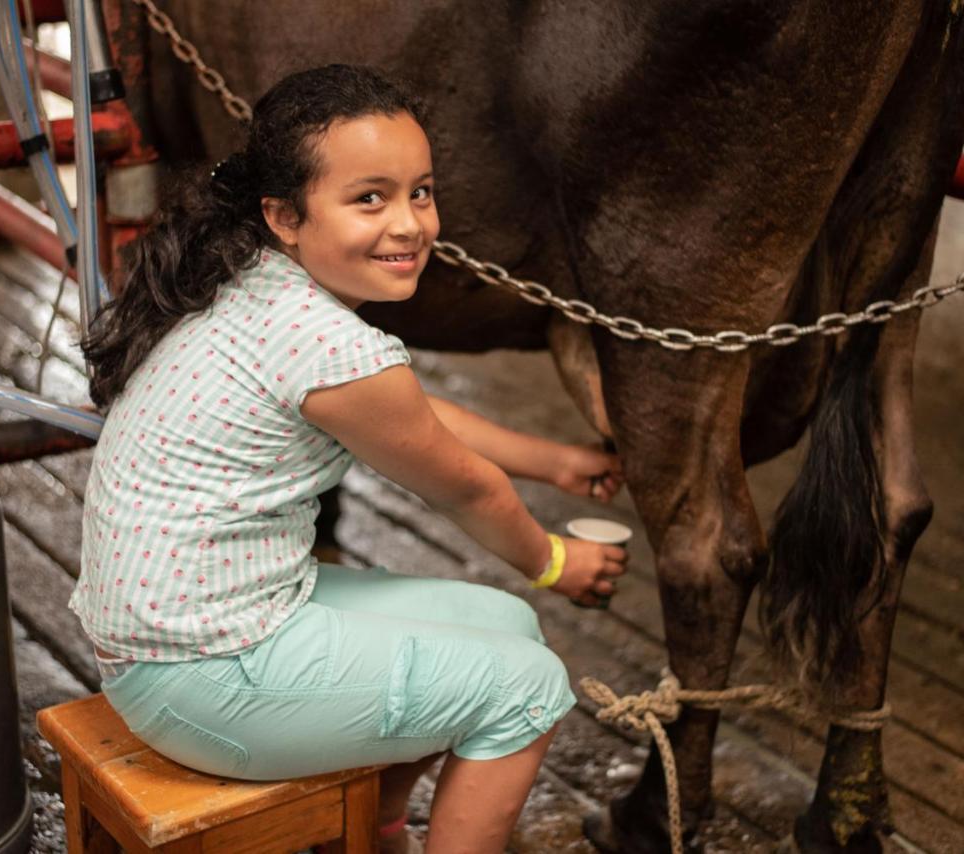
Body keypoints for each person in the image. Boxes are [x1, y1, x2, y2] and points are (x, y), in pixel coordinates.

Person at [72, 64, 628, 854]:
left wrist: (552, 463)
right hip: (198, 677)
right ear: (285, 215)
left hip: (182, 632)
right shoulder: (326, 341)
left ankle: (376, 828)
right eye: (370, 198)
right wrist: (552, 563)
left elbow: (412, 413)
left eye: (421, 192)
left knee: (505, 623)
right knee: (527, 688)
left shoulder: (257, 281)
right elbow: (466, 489)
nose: (409, 224)